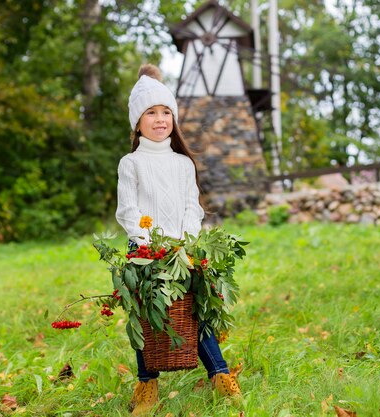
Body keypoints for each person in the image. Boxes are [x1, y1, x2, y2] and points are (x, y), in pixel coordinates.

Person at [115, 64, 241, 416]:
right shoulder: (131, 163)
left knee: (194, 312)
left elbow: (192, 206)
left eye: (166, 111)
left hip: (183, 252)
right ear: (137, 122)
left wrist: (186, 244)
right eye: (150, 113)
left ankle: (220, 374)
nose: (159, 119)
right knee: (146, 316)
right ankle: (146, 385)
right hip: (144, 252)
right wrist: (146, 244)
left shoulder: (183, 164)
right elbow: (128, 210)